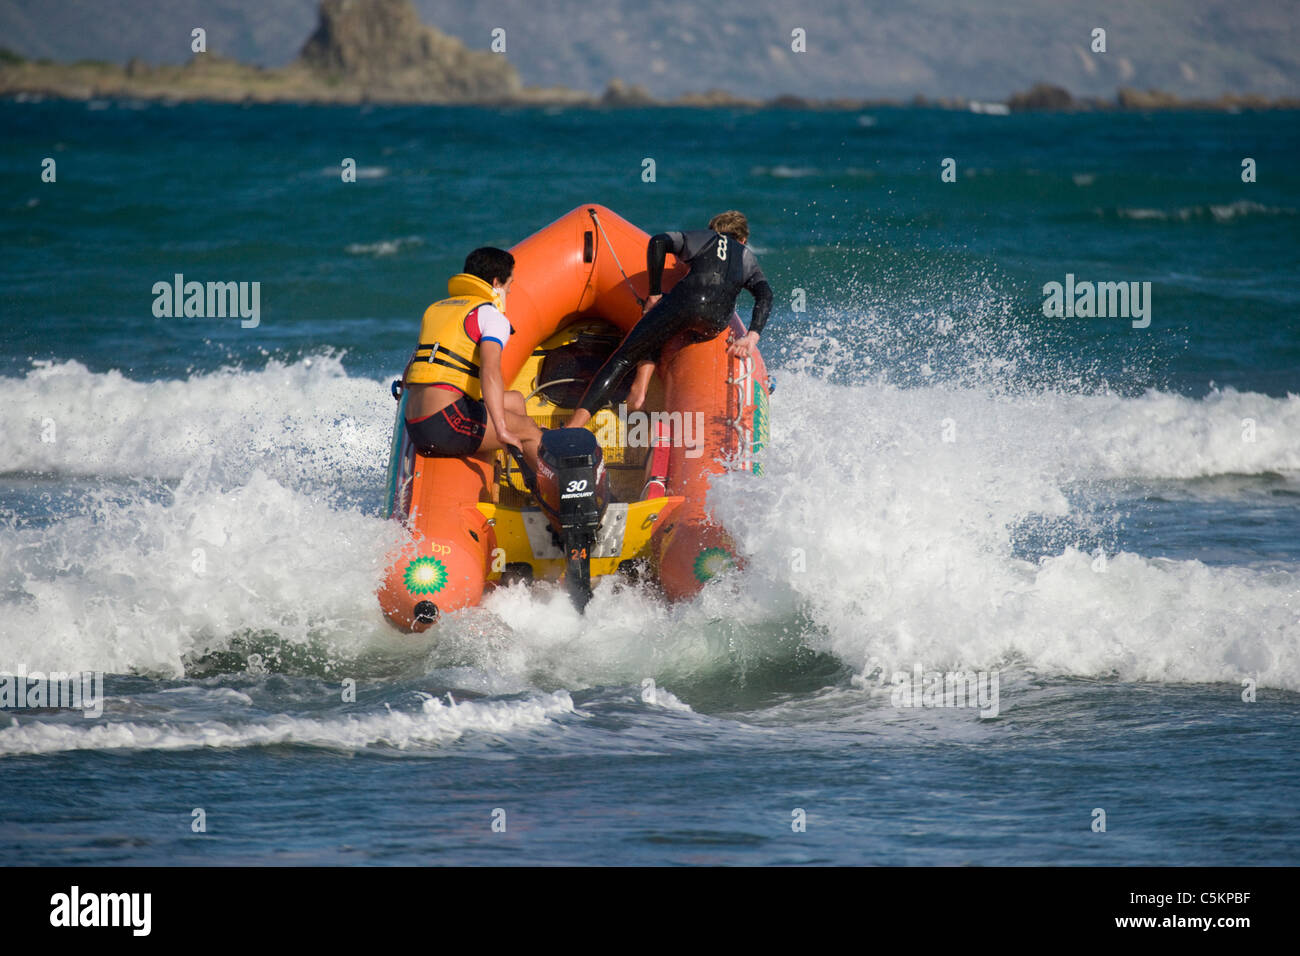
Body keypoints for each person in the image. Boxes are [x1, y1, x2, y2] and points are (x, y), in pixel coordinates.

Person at [566, 211, 773, 429]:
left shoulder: (704, 237)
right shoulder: (747, 256)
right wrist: (751, 336)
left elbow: (658, 242)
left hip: (686, 303)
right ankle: (642, 392)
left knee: (624, 357)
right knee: (663, 327)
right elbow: (765, 294)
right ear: (742, 240)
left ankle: (576, 425)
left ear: (713, 230)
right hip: (715, 322)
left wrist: (654, 293)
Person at [402, 247, 542, 475]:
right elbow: (489, 371)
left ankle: (511, 473)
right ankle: (551, 499)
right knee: (529, 429)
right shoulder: (490, 316)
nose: (510, 291)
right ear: (497, 283)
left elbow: (409, 374)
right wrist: (502, 429)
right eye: (510, 285)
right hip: (444, 423)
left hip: (414, 422)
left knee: (515, 401)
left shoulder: (437, 310)